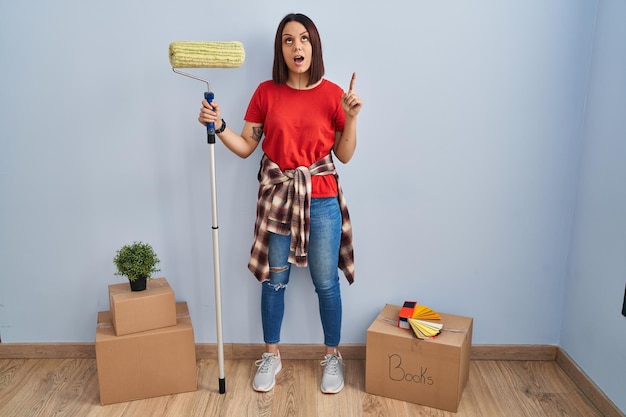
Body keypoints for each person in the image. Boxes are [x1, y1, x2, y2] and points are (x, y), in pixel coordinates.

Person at [198, 12, 363, 394]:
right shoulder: (265, 93)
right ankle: (271, 354)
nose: (296, 47)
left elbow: (345, 154)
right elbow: (245, 147)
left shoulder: (333, 93)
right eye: (287, 40)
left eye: (303, 39)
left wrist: (351, 118)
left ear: (314, 45)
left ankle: (332, 356)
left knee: (326, 284)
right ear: (281, 50)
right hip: (278, 201)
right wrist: (218, 125)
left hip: (322, 201)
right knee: (275, 282)